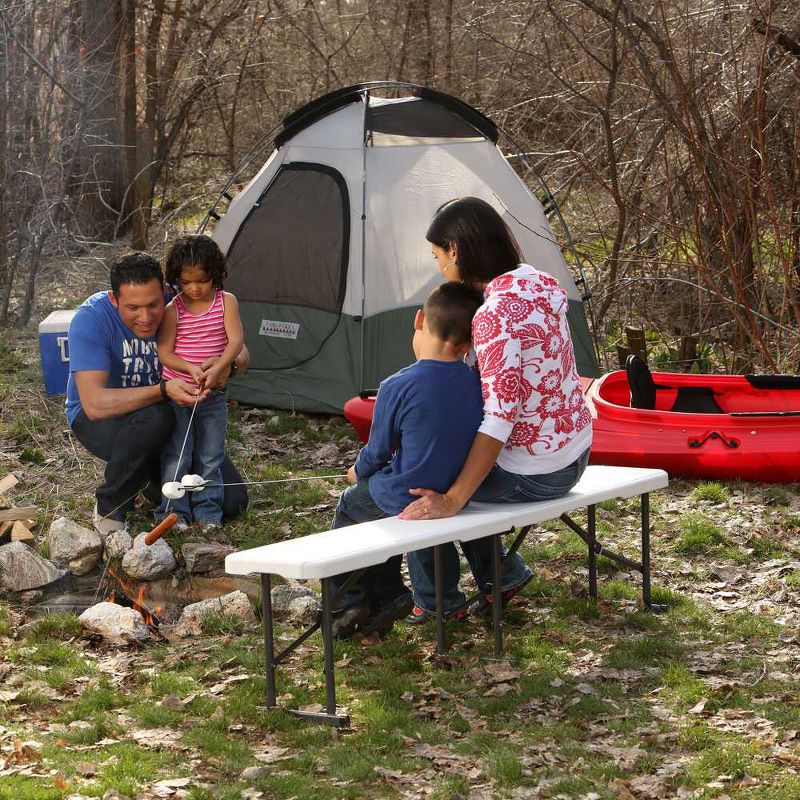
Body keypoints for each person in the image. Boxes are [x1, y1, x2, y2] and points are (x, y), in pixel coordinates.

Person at [400, 196, 592, 621]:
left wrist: (451, 499)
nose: (438, 267)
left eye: (437, 256)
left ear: (455, 249)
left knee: (418, 484)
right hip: (576, 450)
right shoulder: (536, 281)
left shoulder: (494, 316)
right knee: (454, 473)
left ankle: (438, 603)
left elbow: (499, 420)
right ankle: (501, 574)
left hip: (538, 473)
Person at [329, 281, 486, 638]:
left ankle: (350, 599)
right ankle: (409, 597)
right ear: (467, 345)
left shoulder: (396, 385)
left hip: (405, 492)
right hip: (452, 489)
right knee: (393, 520)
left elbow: (378, 450)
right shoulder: (475, 382)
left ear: (418, 320)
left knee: (352, 507)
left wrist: (357, 471)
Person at [66, 252, 248, 535]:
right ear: (115, 301)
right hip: (104, 422)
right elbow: (94, 405)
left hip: (176, 417)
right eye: (133, 308)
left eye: (153, 304)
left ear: (163, 290)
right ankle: (111, 508)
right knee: (158, 416)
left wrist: (228, 367)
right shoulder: (91, 319)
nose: (146, 317)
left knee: (232, 502)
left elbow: (241, 352)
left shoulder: (181, 302)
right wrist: (163, 390)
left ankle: (150, 484)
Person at [154, 236, 244, 531]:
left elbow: (235, 341)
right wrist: (190, 368)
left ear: (215, 274)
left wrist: (219, 366)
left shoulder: (225, 302)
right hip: (180, 395)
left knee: (210, 455)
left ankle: (208, 513)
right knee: (177, 455)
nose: (194, 288)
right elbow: (165, 353)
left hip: (213, 395)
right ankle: (173, 512)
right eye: (186, 282)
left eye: (202, 281)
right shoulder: (173, 309)